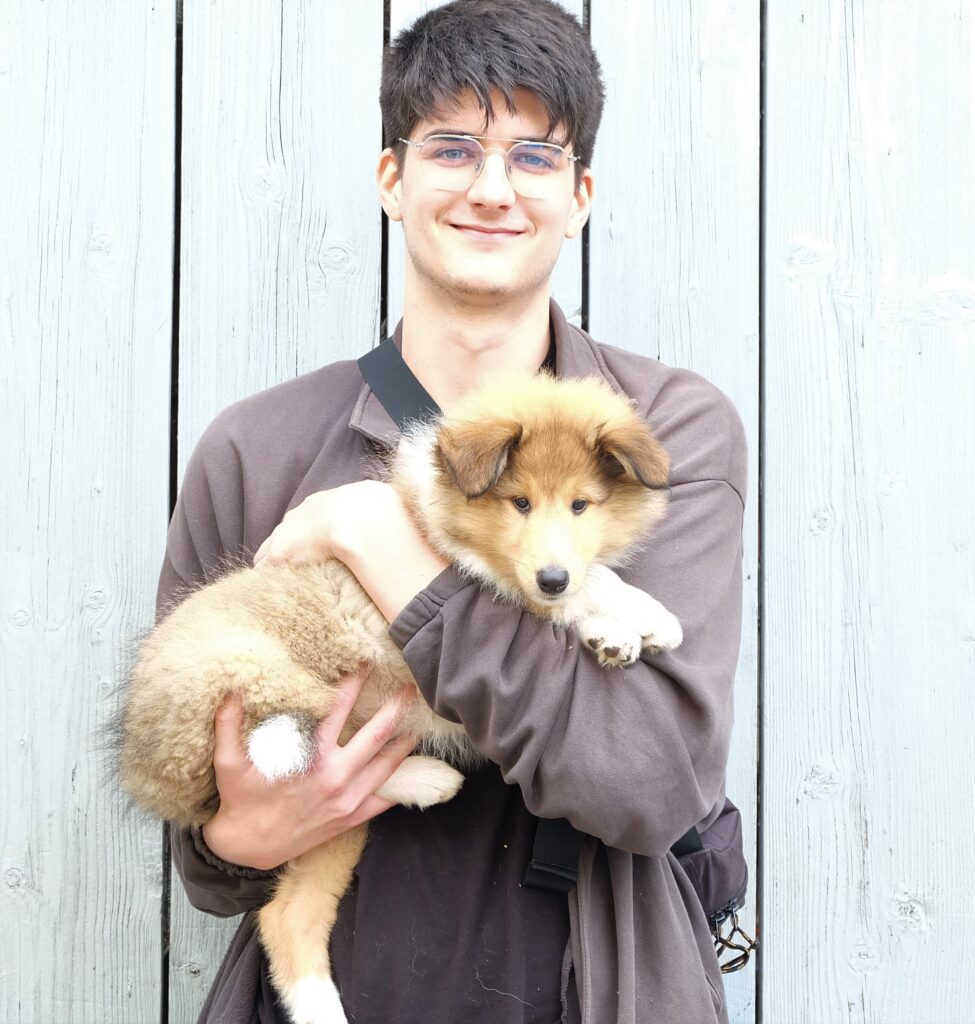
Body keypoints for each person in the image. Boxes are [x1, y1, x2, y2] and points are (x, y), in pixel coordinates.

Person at [158, 1, 747, 1021]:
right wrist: (237, 837)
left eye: (533, 156)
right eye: (452, 148)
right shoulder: (255, 447)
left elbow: (649, 784)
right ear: (392, 179)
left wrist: (391, 555)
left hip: (590, 985)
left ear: (579, 195)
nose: (491, 188)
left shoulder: (661, 436)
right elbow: (201, 845)